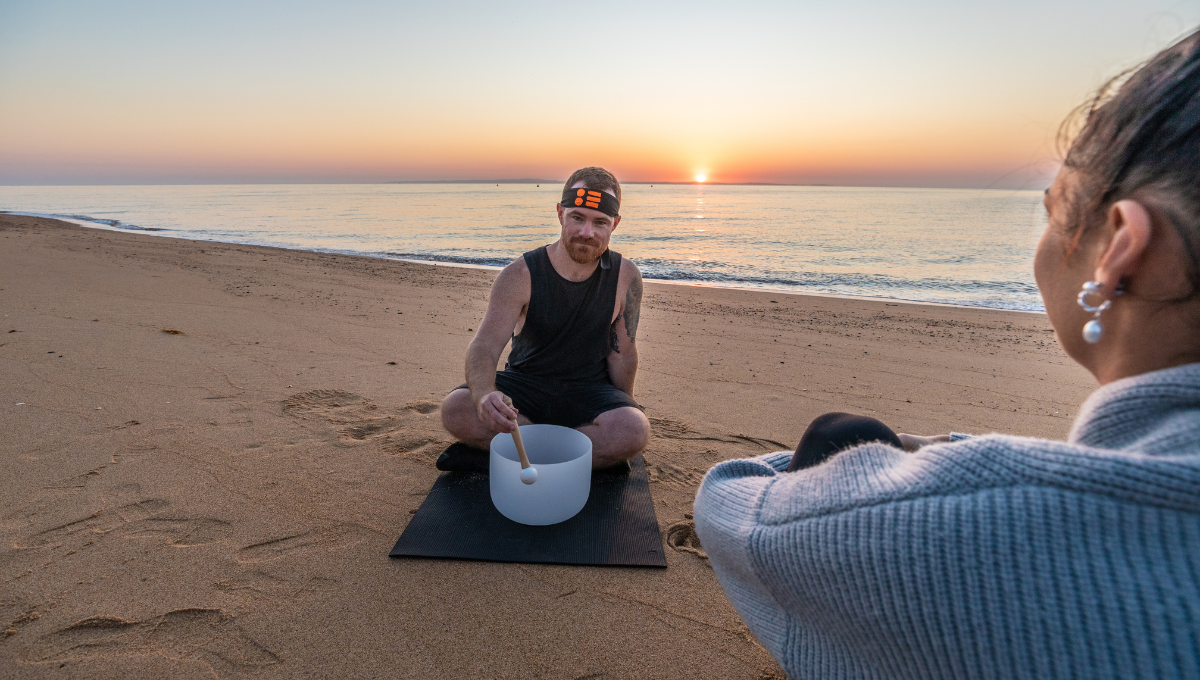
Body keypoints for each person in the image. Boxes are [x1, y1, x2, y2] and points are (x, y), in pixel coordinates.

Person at [694, 30, 1200, 679]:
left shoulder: (991, 522)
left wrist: (930, 460)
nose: (1043, 246)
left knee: (841, 436)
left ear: (1120, 249)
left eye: (1053, 212)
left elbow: (734, 504)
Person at [439, 167, 651, 470]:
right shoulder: (520, 274)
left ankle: (509, 455)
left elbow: (624, 353)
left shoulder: (625, 276)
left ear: (614, 224)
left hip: (590, 391)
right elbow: (485, 345)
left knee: (633, 430)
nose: (586, 232)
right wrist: (485, 395)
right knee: (457, 409)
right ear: (560, 213)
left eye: (600, 222)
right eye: (577, 217)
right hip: (525, 387)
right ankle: (580, 457)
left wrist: (624, 406)